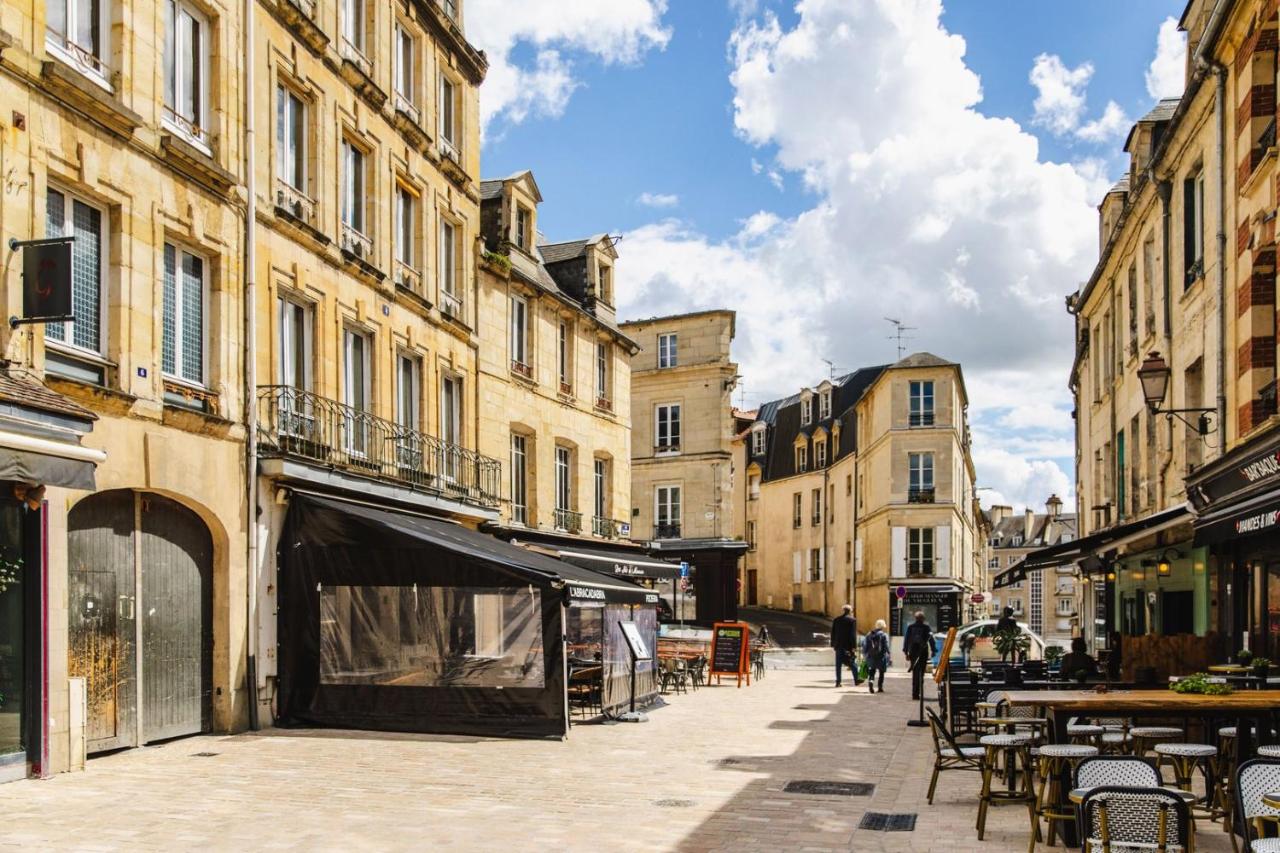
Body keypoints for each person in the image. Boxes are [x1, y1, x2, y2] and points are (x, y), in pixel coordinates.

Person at [903, 611, 937, 700]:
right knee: (921, 673)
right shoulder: (926, 627)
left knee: (915, 673)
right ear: (923, 619)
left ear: (915, 618)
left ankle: (914, 694)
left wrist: (906, 652)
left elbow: (906, 640)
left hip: (913, 652)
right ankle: (919, 692)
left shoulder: (910, 627)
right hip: (923, 652)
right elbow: (931, 639)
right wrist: (934, 650)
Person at [830, 604, 860, 687]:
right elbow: (852, 635)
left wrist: (833, 644)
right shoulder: (852, 620)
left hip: (838, 645)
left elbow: (833, 633)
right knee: (852, 663)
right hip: (848, 646)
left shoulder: (836, 620)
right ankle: (856, 680)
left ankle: (838, 682)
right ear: (850, 611)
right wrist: (854, 647)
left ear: (843, 610)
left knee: (838, 664)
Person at [863, 619, 891, 694]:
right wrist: (889, 653)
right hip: (881, 656)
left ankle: (871, 683)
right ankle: (880, 687)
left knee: (872, 671)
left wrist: (865, 654)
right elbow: (886, 646)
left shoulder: (869, 634)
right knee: (881, 672)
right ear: (883, 626)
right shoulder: (884, 635)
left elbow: (865, 645)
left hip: (871, 656)